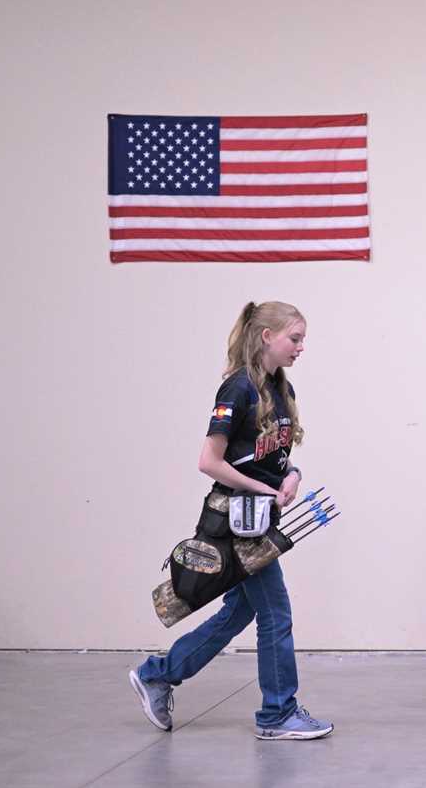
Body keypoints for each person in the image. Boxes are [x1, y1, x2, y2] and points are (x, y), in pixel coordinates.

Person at [129, 301, 333, 740]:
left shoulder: (283, 390)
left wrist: (291, 476)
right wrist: (262, 489)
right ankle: (277, 714)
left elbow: (274, 460)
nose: (301, 348)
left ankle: (158, 674)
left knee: (239, 611)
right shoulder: (237, 389)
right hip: (235, 524)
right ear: (266, 337)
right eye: (294, 339)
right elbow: (209, 461)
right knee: (275, 614)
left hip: (259, 520)